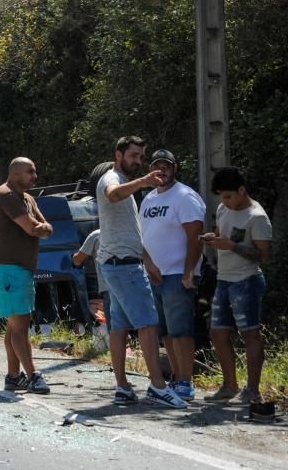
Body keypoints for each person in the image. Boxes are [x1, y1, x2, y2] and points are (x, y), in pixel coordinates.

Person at [96, 136, 187, 408]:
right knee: (148, 323)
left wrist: (147, 261)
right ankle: (158, 386)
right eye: (134, 155)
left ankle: (123, 387)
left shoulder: (128, 186)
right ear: (119, 154)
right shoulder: (112, 179)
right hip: (122, 266)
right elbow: (112, 194)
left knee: (120, 328)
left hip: (121, 263)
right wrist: (143, 181)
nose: (138, 161)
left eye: (140, 156)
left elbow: (131, 232)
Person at [138, 149, 206, 401]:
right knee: (165, 332)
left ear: (175, 168)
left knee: (181, 331)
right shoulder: (148, 199)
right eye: (157, 165)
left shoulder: (185, 196)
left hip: (178, 275)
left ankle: (186, 382)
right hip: (154, 275)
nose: (161, 170)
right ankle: (176, 377)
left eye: (166, 166)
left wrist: (189, 271)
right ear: (150, 169)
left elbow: (195, 237)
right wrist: (147, 263)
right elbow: (142, 235)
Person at [202, 167, 272, 405]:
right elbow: (223, 236)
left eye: (229, 196)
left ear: (242, 191)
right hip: (224, 279)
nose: (225, 202)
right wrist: (213, 240)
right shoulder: (223, 209)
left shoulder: (257, 217)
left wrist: (230, 246)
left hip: (247, 281)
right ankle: (229, 385)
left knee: (249, 333)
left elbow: (262, 255)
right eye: (222, 197)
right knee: (218, 332)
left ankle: (252, 389)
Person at [0, 157, 54, 394]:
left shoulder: (27, 198)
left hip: (19, 270)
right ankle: (33, 375)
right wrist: (40, 228)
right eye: (30, 172)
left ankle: (13, 376)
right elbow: (33, 228)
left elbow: (47, 227)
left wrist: (41, 227)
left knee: (14, 326)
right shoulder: (6, 195)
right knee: (20, 326)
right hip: (8, 269)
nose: (34, 177)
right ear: (15, 173)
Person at [72, 229, 109, 329]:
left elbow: (77, 261)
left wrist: (72, 257)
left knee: (117, 328)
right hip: (133, 283)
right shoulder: (133, 231)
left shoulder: (96, 235)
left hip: (108, 288)